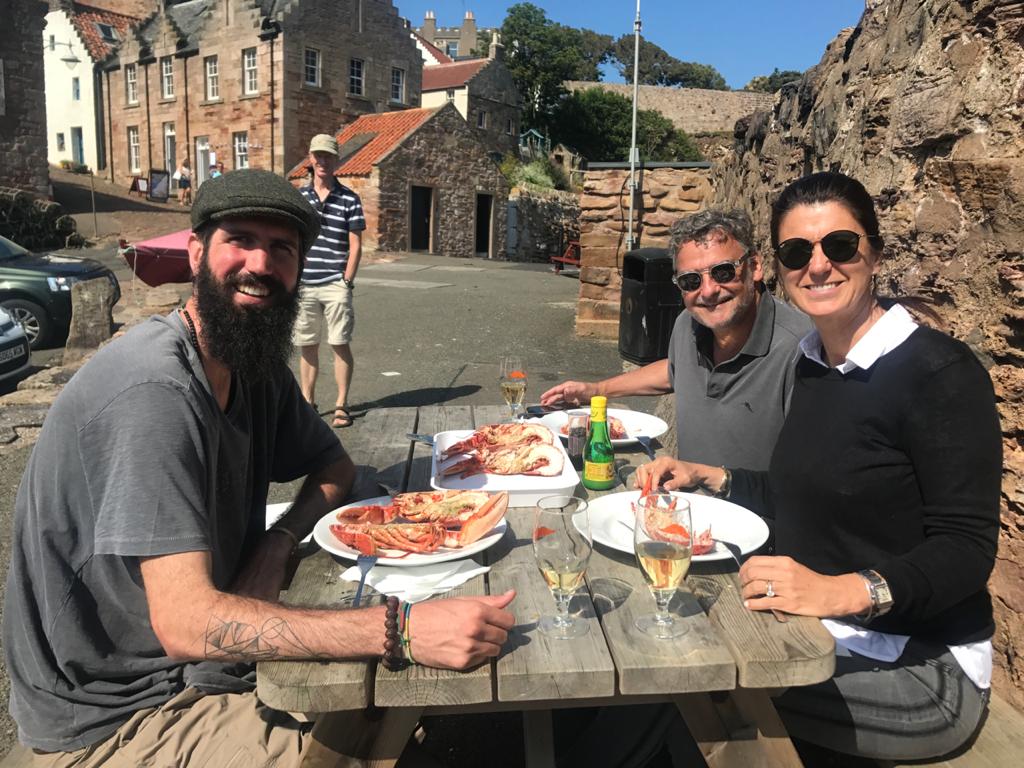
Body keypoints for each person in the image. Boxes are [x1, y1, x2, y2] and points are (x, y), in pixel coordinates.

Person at [2, 169, 516, 767]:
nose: (261, 264)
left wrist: (275, 544)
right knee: (388, 694)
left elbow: (335, 464)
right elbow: (187, 623)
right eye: (239, 239)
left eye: (282, 249)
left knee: (399, 693)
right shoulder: (154, 389)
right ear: (196, 252)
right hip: (116, 716)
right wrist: (402, 630)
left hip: (197, 665)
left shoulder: (249, 361)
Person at [637, 172, 1001, 762]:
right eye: (797, 252)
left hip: (922, 665)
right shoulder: (813, 364)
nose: (818, 266)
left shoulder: (940, 373)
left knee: (689, 688)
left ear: (874, 252)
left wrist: (841, 591)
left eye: (839, 245)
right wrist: (711, 476)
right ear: (777, 267)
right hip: (814, 632)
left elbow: (966, 548)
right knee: (661, 651)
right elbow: (796, 494)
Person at [540, 209, 811, 471]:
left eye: (723, 272)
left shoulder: (801, 351)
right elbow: (675, 370)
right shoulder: (688, 324)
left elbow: (812, 480)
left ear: (754, 266)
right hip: (685, 506)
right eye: (691, 281)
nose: (708, 291)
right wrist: (596, 390)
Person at [295, 133, 366, 428]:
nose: (323, 161)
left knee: (339, 343)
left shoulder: (349, 198)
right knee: (307, 344)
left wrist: (347, 281)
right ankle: (307, 403)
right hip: (305, 284)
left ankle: (341, 405)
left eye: (329, 156)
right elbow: (292, 237)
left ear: (337, 160)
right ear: (311, 159)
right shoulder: (299, 197)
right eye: (318, 155)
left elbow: (356, 244)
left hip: (336, 283)